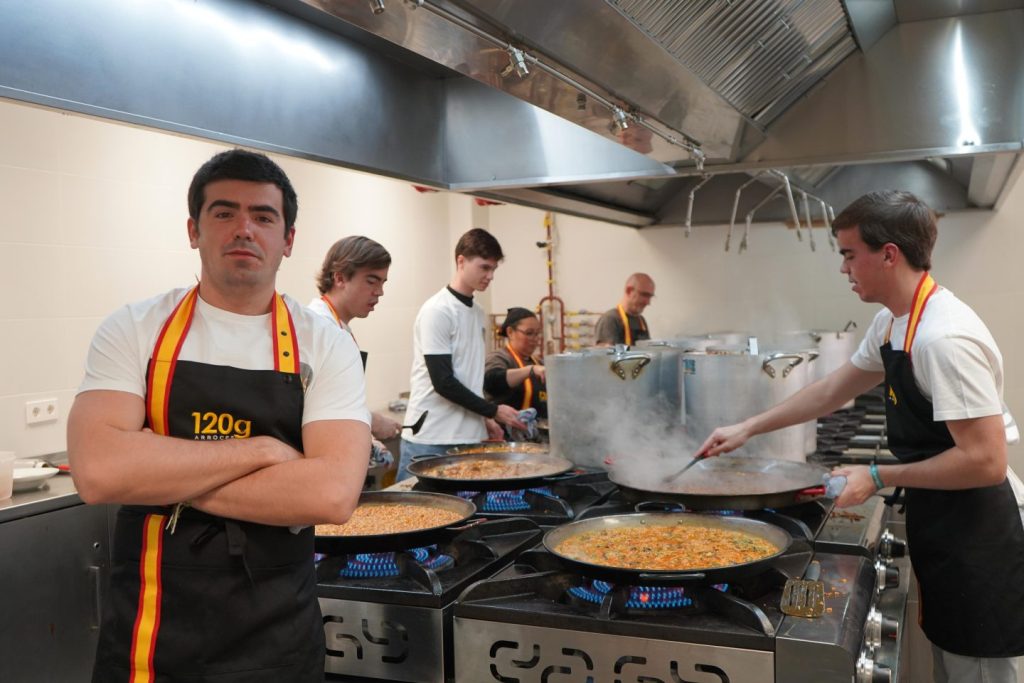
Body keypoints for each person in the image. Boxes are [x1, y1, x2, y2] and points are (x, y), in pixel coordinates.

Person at [67, 149, 371, 682]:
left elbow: (330, 495)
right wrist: (262, 452)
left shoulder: (323, 343)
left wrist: (156, 474)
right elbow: (99, 472)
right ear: (194, 230)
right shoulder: (135, 328)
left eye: (263, 216)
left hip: (277, 638)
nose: (244, 229)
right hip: (150, 635)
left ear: (288, 240)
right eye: (224, 213)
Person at [698, 190, 1024, 683]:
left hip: (980, 535)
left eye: (850, 254)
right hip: (945, 521)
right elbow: (834, 388)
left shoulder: (943, 337)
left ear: (888, 254)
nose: (844, 269)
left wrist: (875, 474)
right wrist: (747, 428)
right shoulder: (894, 322)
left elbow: (984, 461)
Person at [399, 228, 526, 479]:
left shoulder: (478, 312)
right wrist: (492, 411)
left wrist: (483, 419)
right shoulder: (438, 311)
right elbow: (443, 382)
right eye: (484, 267)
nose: (489, 276)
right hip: (432, 438)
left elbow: (470, 376)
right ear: (461, 261)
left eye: (493, 270)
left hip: (469, 437)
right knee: (415, 514)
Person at [309, 235, 402, 441]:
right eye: (371, 281)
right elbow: (310, 406)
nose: (380, 292)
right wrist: (370, 421)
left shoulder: (339, 328)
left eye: (383, 282)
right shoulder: (317, 327)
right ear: (339, 278)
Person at [484, 307, 548, 438]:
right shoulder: (500, 357)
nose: (535, 339)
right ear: (510, 332)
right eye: (529, 333)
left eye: (537, 334)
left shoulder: (538, 362)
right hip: (506, 437)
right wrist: (529, 371)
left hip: (535, 438)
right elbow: (492, 381)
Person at [594, 272, 655, 345]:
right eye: (644, 295)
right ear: (629, 291)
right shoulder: (610, 319)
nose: (648, 302)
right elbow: (605, 354)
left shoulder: (641, 320)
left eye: (650, 297)